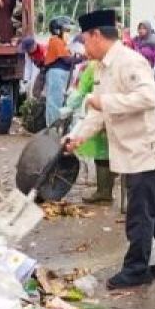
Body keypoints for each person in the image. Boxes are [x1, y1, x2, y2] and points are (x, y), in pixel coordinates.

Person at [65, 8, 155, 289]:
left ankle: (136, 269)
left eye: (85, 40)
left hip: (145, 149)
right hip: (132, 148)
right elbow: (98, 113)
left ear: (97, 35)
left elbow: (148, 97)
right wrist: (77, 137)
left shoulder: (129, 61)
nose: (84, 47)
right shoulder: (100, 67)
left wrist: (106, 103)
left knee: (140, 212)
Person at [60, 38, 113, 204]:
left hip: (97, 114)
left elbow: (80, 92)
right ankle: (108, 189)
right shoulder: (103, 64)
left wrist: (68, 107)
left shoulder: (91, 67)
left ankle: (104, 192)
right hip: (111, 115)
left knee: (102, 154)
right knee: (110, 153)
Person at [43, 16, 75, 127]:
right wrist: (82, 57)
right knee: (55, 102)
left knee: (62, 102)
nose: (68, 33)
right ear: (58, 30)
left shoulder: (62, 43)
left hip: (61, 74)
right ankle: (53, 127)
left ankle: (60, 128)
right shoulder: (56, 41)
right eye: (66, 31)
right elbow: (66, 59)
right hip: (56, 73)